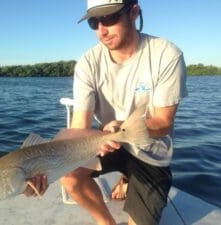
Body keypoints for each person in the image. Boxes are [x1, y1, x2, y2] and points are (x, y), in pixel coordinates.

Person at [24, 0, 188, 225]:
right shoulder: (87, 63)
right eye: (94, 22)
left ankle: (129, 177)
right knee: (69, 176)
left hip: (150, 147)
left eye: (110, 18)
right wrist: (46, 171)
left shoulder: (166, 55)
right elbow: (80, 128)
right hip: (107, 141)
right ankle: (106, 222)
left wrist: (122, 127)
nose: (101, 30)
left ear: (134, 12)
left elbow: (163, 122)